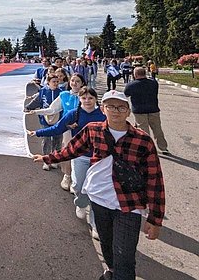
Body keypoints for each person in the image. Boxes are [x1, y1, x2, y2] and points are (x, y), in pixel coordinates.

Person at [32, 90, 165, 280]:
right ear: (103, 109)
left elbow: (155, 180)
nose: (115, 111)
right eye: (110, 106)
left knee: (125, 258)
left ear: (128, 111)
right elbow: (72, 150)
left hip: (129, 205)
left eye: (120, 107)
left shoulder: (142, 140)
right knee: (107, 246)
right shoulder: (93, 130)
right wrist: (47, 157)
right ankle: (111, 272)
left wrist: (155, 218)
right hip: (99, 200)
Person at [29, 87, 104, 236]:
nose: (87, 101)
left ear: (96, 99)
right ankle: (81, 203)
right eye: (84, 98)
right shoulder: (74, 114)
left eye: (90, 98)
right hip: (80, 157)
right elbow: (57, 128)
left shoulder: (103, 114)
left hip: (100, 159)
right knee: (78, 186)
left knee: (96, 191)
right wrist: (37, 132)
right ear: (80, 99)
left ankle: (96, 225)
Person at [28, 73, 86, 192]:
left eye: (78, 81)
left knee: (81, 154)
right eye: (73, 80)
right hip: (67, 129)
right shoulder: (64, 95)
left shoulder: (86, 96)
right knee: (68, 151)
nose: (74, 83)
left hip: (83, 129)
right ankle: (67, 176)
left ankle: (77, 180)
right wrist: (36, 112)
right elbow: (52, 109)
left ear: (83, 84)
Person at [124, 67, 169, 155]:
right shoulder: (153, 83)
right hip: (153, 109)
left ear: (135, 75)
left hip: (139, 110)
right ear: (145, 73)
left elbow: (126, 94)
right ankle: (163, 147)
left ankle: (146, 148)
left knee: (143, 130)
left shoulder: (131, 85)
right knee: (157, 129)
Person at [24, 73, 63, 170]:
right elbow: (37, 101)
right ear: (48, 82)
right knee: (46, 139)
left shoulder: (62, 93)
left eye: (57, 81)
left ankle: (55, 159)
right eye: (53, 81)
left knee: (57, 139)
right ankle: (46, 160)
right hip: (45, 119)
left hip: (59, 119)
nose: (56, 83)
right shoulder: (43, 91)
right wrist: (28, 107)